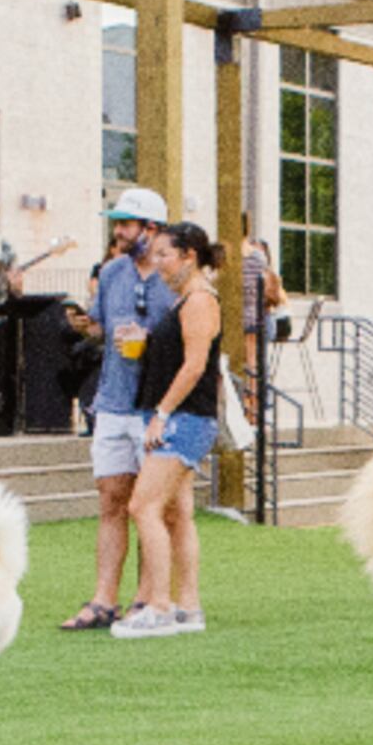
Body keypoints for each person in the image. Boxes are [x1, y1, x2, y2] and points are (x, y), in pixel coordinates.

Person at [61, 187, 170, 631]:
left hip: (155, 406)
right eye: (117, 222)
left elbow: (191, 340)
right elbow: (103, 329)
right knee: (111, 499)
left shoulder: (174, 275)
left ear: (151, 228)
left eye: (126, 223)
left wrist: (149, 343)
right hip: (111, 400)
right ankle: (104, 599)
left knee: (148, 505)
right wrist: (88, 328)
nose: (118, 230)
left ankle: (146, 598)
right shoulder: (110, 274)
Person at [114, 219, 224, 637]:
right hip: (178, 416)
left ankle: (159, 605)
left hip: (184, 419)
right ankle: (187, 606)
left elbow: (196, 364)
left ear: (188, 256)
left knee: (143, 506)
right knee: (177, 513)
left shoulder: (199, 301)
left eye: (164, 255)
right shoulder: (186, 301)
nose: (157, 263)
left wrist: (161, 412)